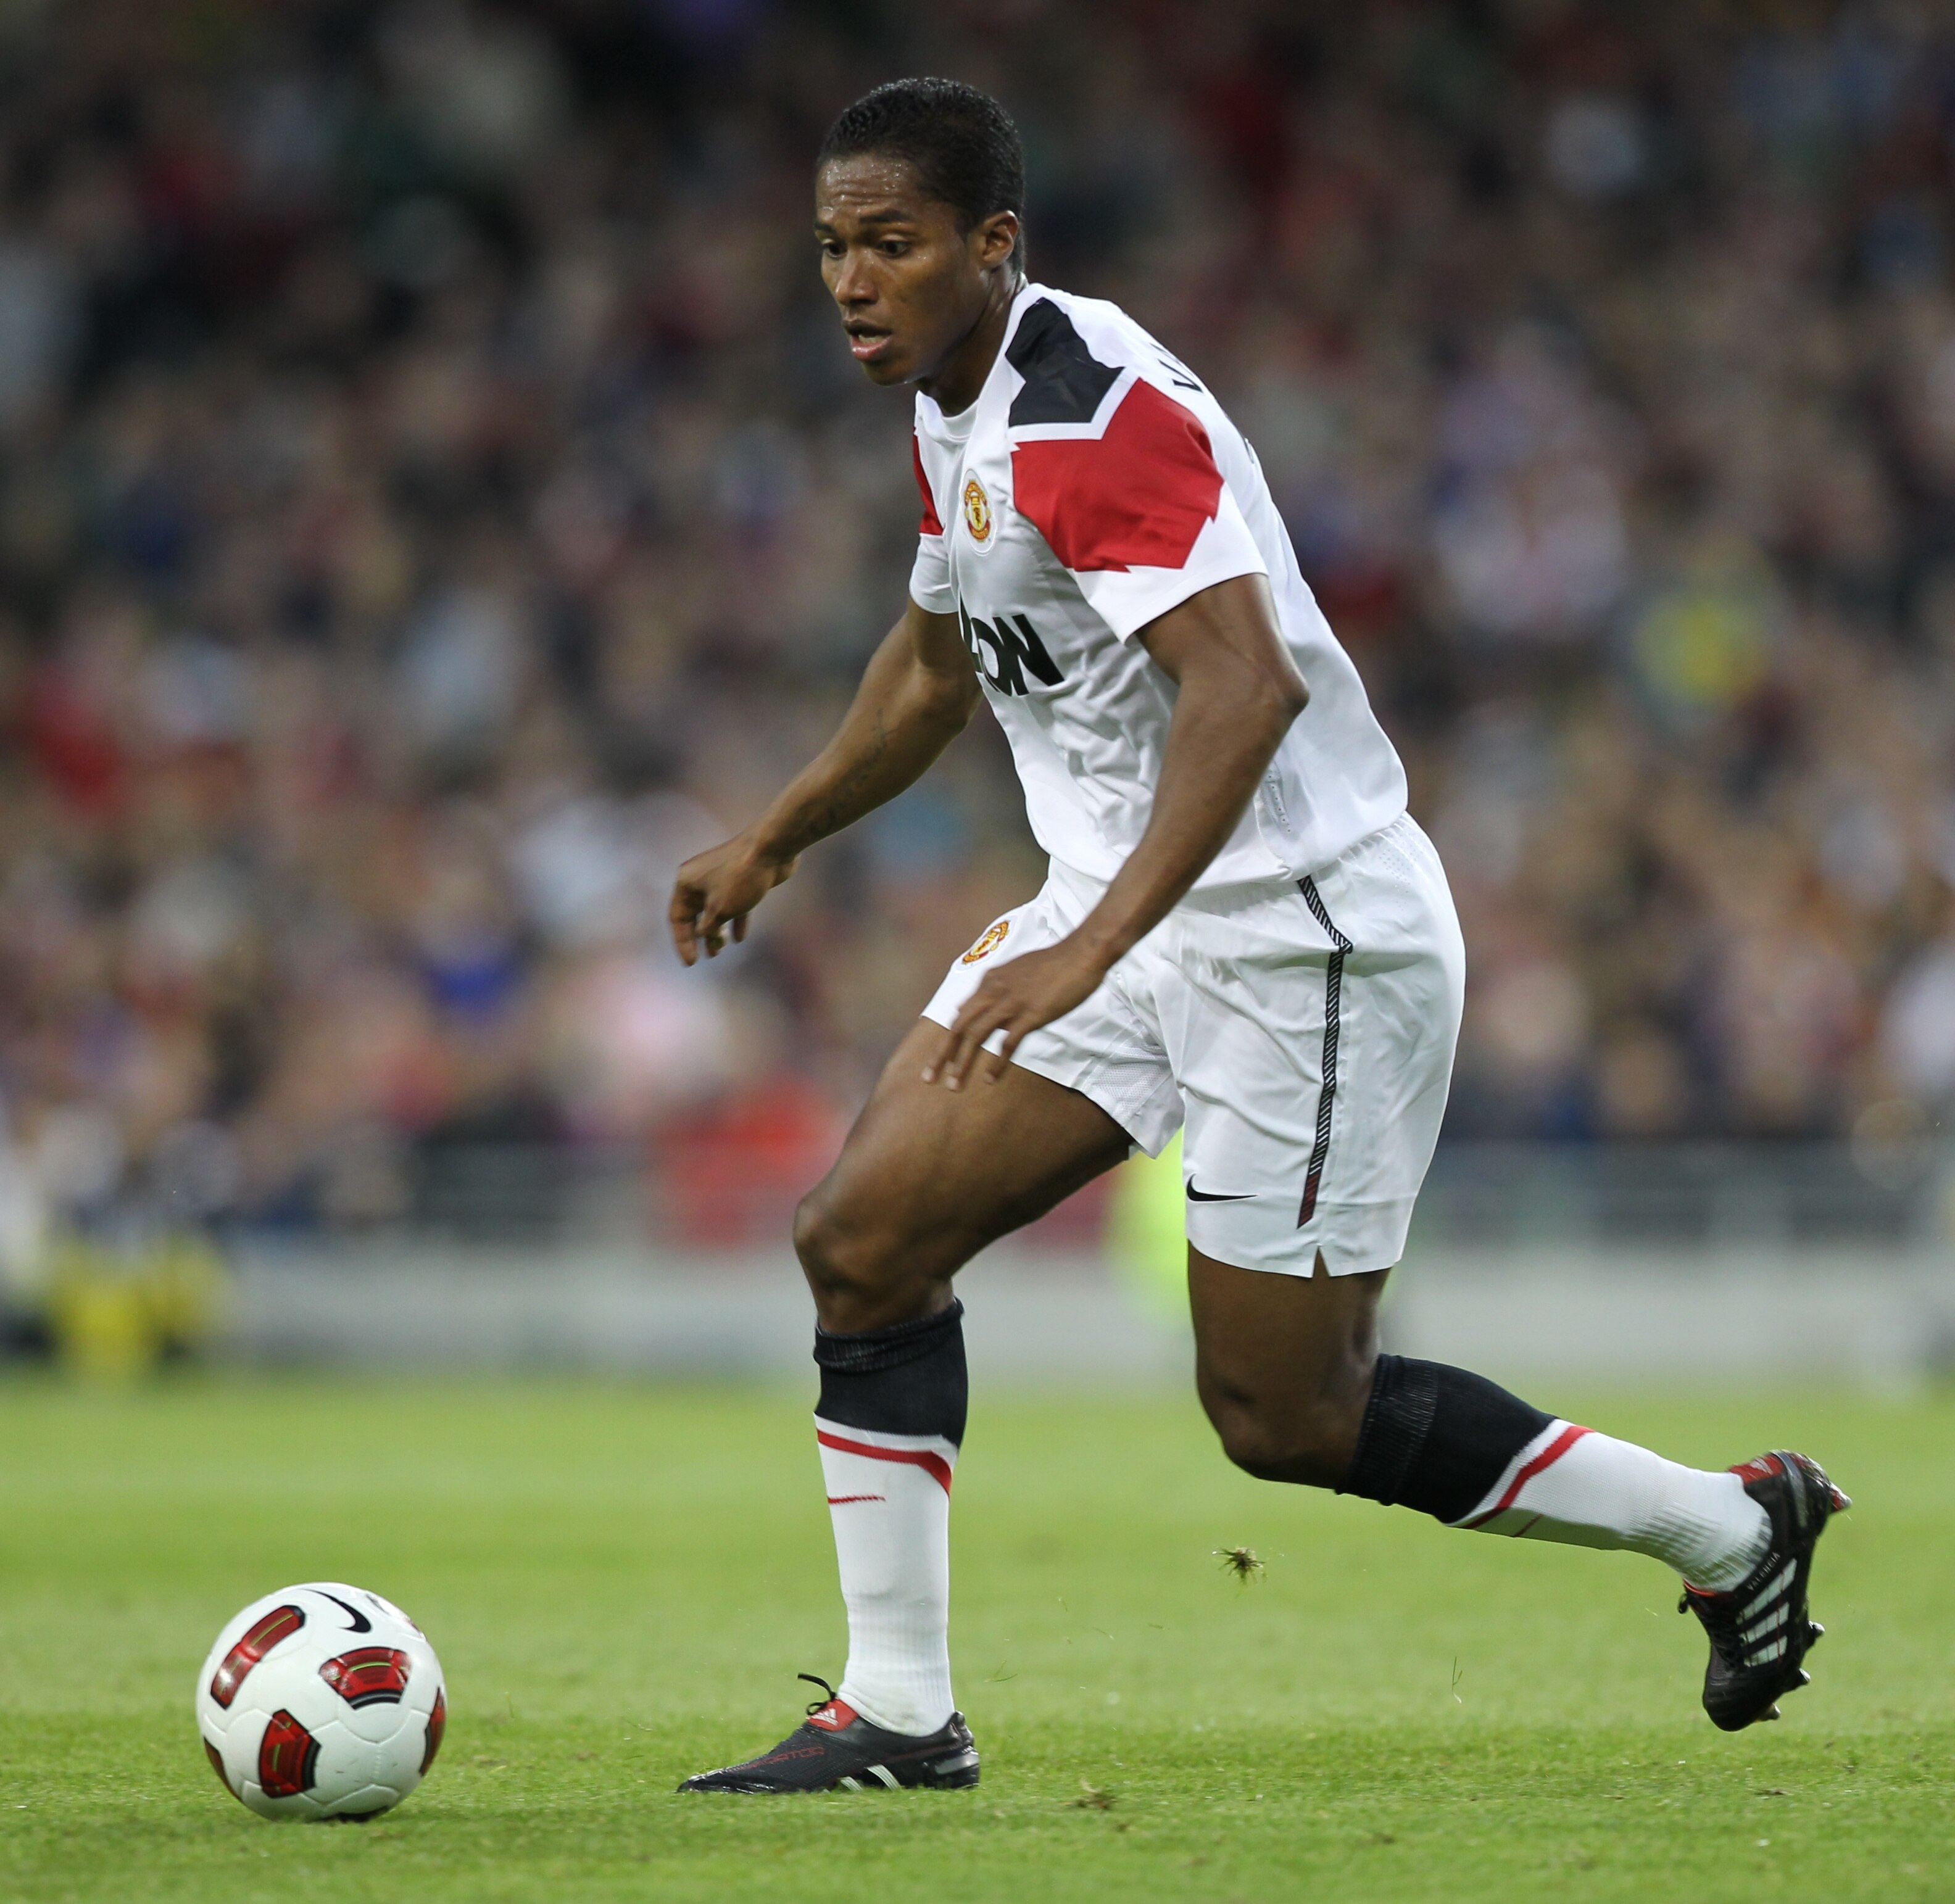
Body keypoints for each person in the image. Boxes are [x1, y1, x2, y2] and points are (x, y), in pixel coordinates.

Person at [667, 78, 1846, 1795]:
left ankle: (1733, 1532)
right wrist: (774, 834)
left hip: (1305, 932)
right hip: (1127, 909)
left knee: (1285, 1417)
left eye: (893, 245)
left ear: (993, 245)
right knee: (862, 1240)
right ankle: (900, 1713)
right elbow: (937, 660)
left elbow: (1245, 685)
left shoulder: (1092, 414)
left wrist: (1088, 945)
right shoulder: (955, 401)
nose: (853, 280)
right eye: (835, 246)